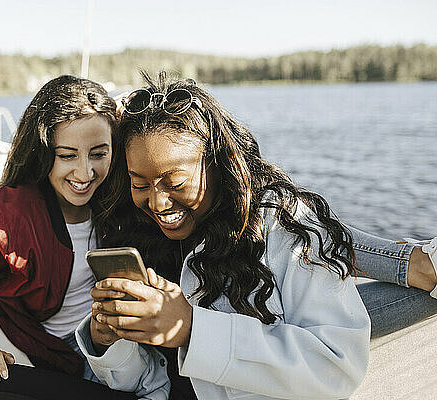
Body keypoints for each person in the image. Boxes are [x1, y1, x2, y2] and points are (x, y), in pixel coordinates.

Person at [75, 72, 437, 399]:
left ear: (217, 163)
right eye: (140, 184)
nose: (156, 201)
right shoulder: (142, 237)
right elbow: (152, 384)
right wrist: (110, 343)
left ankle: (417, 264)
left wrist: (191, 328)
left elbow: (337, 365)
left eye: (175, 183)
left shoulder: (279, 227)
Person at [0, 75, 137, 400]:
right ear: (43, 152)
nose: (85, 173)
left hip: (133, 344)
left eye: (98, 153)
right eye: (67, 155)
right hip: (64, 356)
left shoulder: (127, 195)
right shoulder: (8, 220)